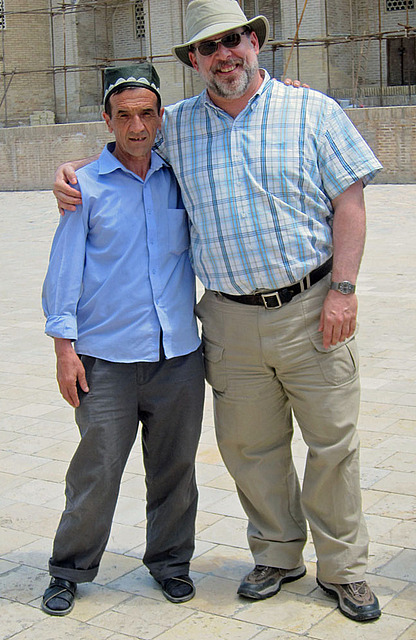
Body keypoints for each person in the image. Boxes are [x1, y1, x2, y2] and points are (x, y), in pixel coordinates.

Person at [52, 0, 383, 622]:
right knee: (249, 447)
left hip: (313, 307)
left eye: (234, 40)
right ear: (194, 61)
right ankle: (277, 556)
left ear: (255, 43)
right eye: (208, 47)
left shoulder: (311, 110)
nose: (224, 55)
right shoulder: (177, 125)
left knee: (332, 444)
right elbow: (126, 139)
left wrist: (343, 289)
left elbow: (350, 202)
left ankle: (344, 569)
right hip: (228, 318)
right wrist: (71, 173)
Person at [41, 62, 205, 616]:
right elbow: (64, 269)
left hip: (177, 356)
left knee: (175, 468)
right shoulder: (83, 187)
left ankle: (171, 563)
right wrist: (64, 349)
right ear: (107, 119)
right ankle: (69, 568)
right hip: (104, 360)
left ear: (160, 117)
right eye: (125, 116)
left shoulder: (179, 176)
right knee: (97, 468)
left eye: (147, 114)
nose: (137, 127)